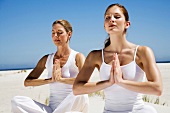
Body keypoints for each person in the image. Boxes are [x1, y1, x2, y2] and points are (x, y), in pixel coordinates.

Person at [73, 3, 162, 113]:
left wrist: (121, 82)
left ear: (127, 24)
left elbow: (157, 89)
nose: (112, 20)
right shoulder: (95, 56)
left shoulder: (142, 52)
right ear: (104, 26)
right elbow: (77, 89)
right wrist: (108, 83)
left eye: (117, 16)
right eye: (107, 17)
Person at [11, 19, 89, 113]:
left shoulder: (77, 57)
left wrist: (61, 80)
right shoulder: (46, 59)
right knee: (16, 101)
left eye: (59, 32)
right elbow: (27, 82)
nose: (56, 36)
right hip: (52, 109)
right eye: (53, 32)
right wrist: (50, 80)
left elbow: (85, 81)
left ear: (69, 34)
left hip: (72, 106)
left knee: (81, 94)